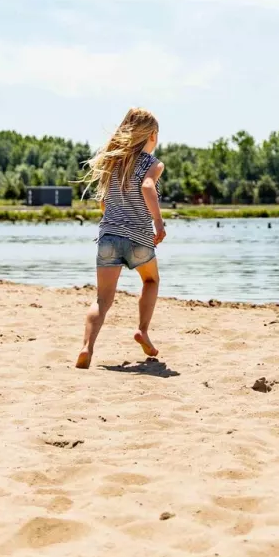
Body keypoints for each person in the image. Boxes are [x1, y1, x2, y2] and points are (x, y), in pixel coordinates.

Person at [77, 107, 166, 369]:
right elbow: (147, 187)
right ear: (151, 135)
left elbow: (104, 203)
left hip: (109, 237)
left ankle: (86, 347)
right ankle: (142, 330)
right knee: (151, 279)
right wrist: (158, 222)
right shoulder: (152, 164)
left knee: (102, 300)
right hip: (138, 237)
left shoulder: (112, 163)